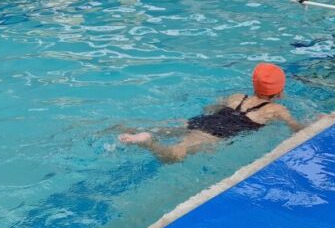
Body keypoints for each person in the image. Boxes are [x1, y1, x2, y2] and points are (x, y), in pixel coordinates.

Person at [118, 63, 303, 164]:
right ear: (279, 92)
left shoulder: (237, 96)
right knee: (175, 155)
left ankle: (124, 129)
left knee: (166, 129)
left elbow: (210, 109)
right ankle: (148, 142)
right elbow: (296, 128)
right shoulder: (277, 109)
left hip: (204, 120)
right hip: (217, 132)